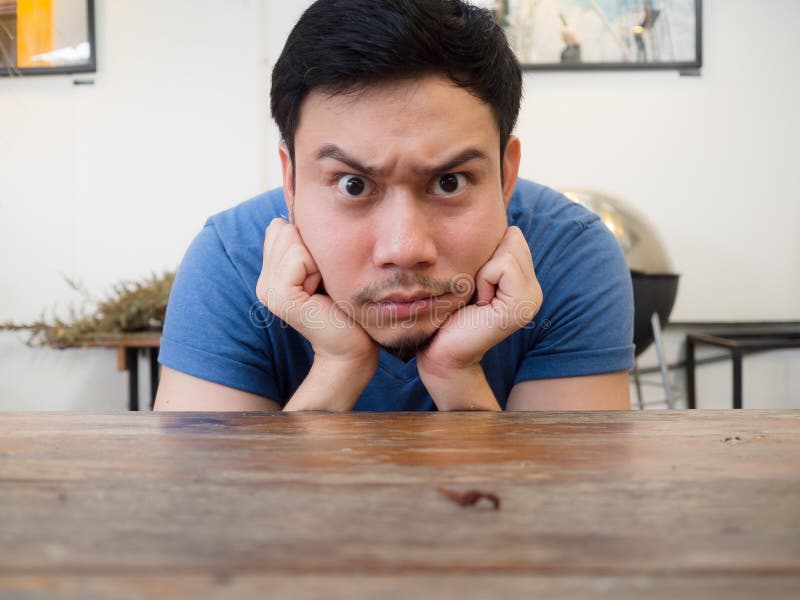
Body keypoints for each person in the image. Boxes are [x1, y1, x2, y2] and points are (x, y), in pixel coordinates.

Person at [154, 0, 634, 412]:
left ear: (506, 177)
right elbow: (218, 512)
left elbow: (560, 513)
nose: (404, 249)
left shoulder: (571, 254)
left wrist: (456, 375)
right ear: (291, 180)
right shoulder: (230, 262)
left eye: (449, 182)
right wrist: (336, 372)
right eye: (353, 185)